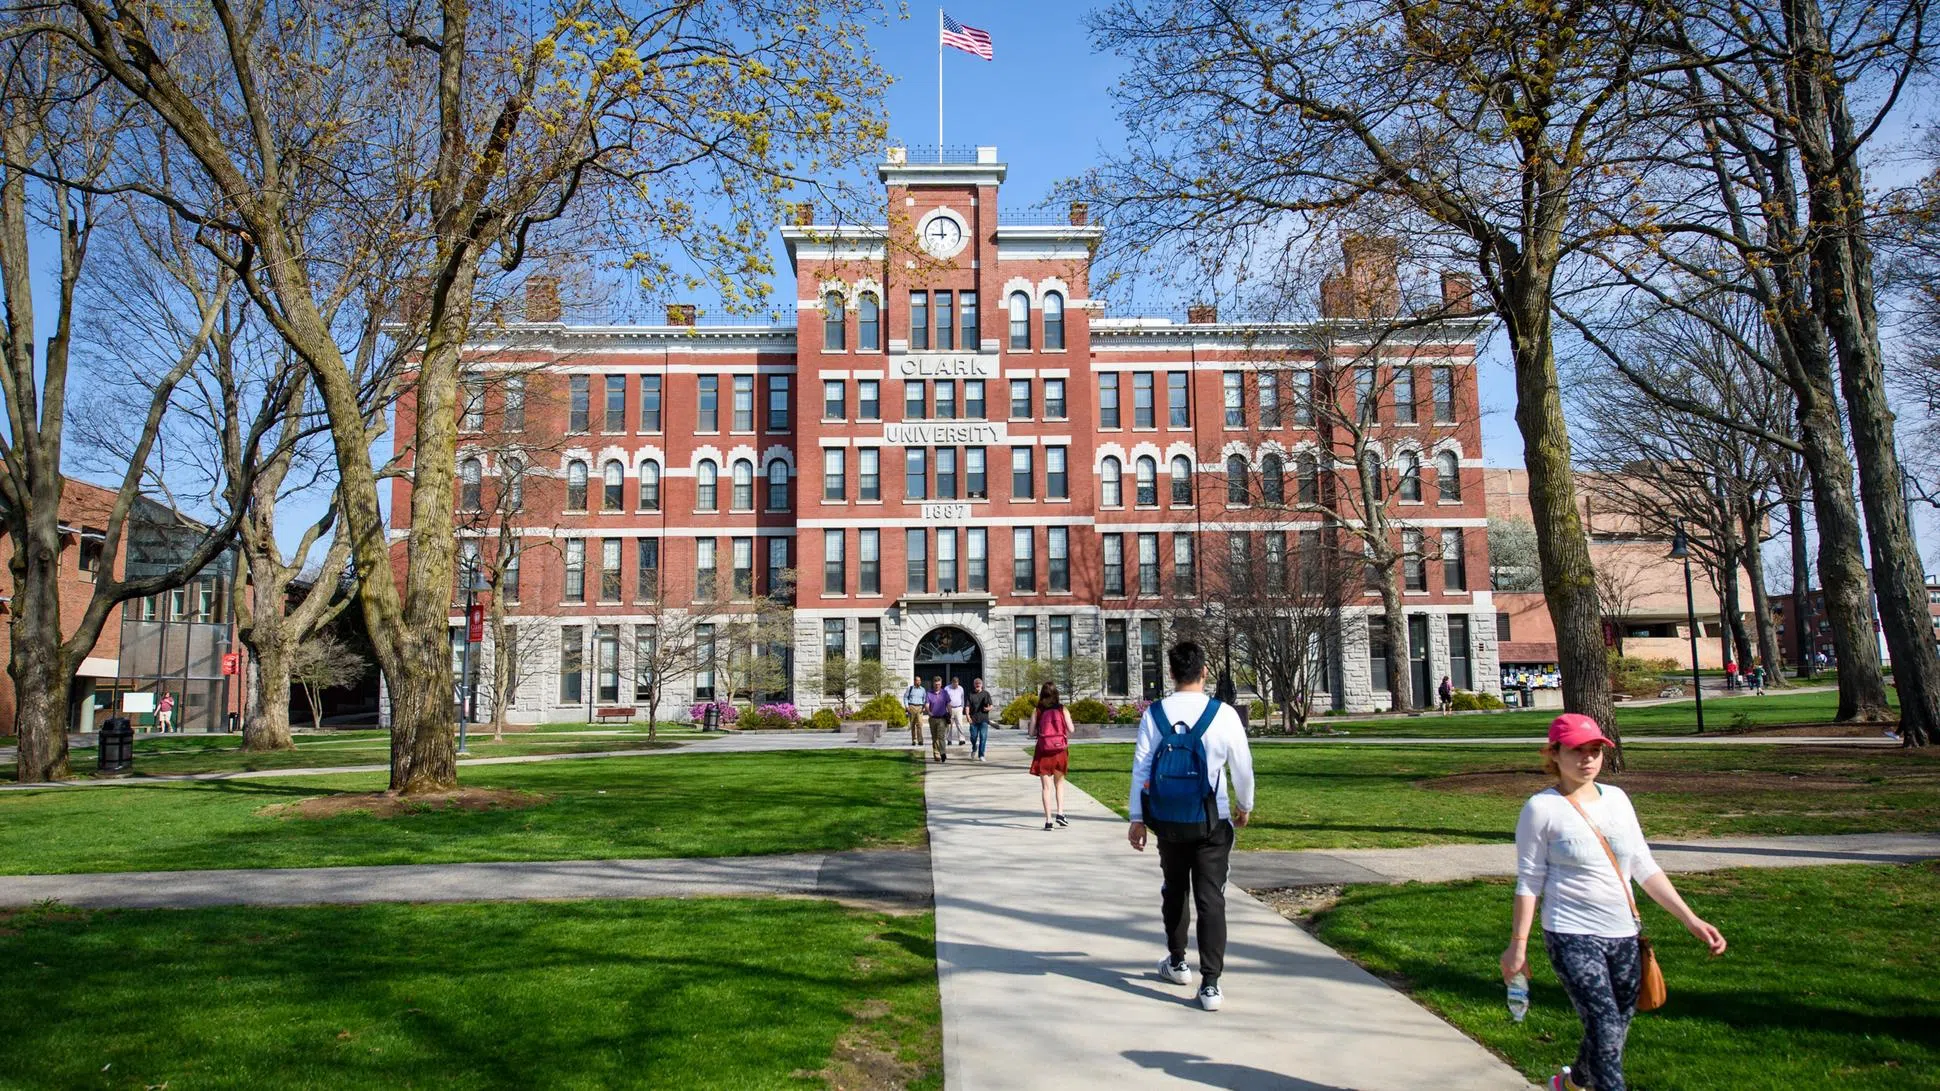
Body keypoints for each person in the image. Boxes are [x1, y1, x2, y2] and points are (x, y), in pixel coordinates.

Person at [1503, 713, 1727, 1091]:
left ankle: (1572, 1084)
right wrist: (1518, 946)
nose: (1588, 759)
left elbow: (1642, 864)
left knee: (1615, 1027)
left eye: (1595, 751)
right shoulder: (1541, 809)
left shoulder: (1618, 800)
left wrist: (1689, 919)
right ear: (1555, 754)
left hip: (1624, 933)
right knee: (1605, 1025)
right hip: (1570, 932)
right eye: (1577, 751)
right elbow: (1530, 880)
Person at [1127, 640, 1255, 1013]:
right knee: (1211, 897)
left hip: (1168, 820)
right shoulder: (1223, 714)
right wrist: (1244, 806)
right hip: (1212, 820)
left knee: (1174, 888)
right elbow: (1242, 768)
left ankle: (1177, 962)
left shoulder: (1156, 714)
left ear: (1171, 673)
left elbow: (1141, 767)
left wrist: (1138, 817)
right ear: (1204, 672)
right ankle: (1211, 984)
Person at [1029, 682, 1071, 829]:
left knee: (1046, 788)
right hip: (1060, 751)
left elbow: (1031, 732)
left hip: (1043, 751)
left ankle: (1048, 821)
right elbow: (1071, 728)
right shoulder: (1062, 709)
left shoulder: (1037, 710)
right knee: (1059, 784)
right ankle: (1060, 812)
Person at [965, 677, 994, 762]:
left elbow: (991, 705)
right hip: (973, 719)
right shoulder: (971, 694)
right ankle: (974, 747)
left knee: (983, 736)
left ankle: (981, 754)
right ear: (974, 685)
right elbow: (967, 706)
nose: (977, 686)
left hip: (984, 719)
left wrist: (988, 709)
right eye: (976, 684)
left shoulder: (986, 694)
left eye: (979, 684)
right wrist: (967, 716)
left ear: (981, 685)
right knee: (973, 737)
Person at [924, 676, 951, 763]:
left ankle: (942, 753)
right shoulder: (929, 693)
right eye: (936, 684)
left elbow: (948, 704)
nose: (937, 686)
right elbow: (927, 705)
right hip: (932, 718)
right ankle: (936, 754)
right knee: (934, 737)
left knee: (941, 736)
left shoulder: (945, 693)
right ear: (933, 684)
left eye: (939, 684)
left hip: (942, 718)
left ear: (941, 684)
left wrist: (950, 713)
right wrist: (929, 711)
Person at [903, 675, 926, 747]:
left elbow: (924, 698)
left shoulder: (923, 689)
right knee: (912, 725)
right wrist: (907, 706)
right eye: (917, 680)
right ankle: (914, 740)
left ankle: (920, 740)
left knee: (919, 724)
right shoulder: (910, 689)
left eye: (919, 680)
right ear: (914, 681)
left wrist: (924, 706)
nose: (918, 682)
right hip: (912, 707)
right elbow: (905, 697)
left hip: (920, 707)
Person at [947, 675, 968, 745]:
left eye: (957, 683)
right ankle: (949, 740)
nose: (956, 685)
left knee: (960, 724)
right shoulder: (947, 688)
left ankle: (961, 739)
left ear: (958, 683)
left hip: (958, 708)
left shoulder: (961, 688)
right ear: (952, 682)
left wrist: (962, 707)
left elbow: (962, 698)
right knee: (949, 725)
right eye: (954, 683)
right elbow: (944, 699)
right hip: (949, 708)